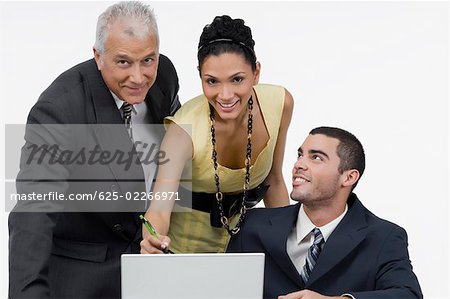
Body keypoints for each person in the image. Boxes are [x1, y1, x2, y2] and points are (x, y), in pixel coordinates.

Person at [8, 2, 180, 298]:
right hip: (84, 276)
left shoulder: (163, 77)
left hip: (151, 270)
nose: (139, 78)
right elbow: (34, 212)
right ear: (98, 56)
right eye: (124, 62)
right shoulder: (59, 110)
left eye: (148, 60)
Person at [140, 15, 294, 254]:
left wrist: (286, 246)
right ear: (200, 76)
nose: (225, 95)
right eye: (212, 81)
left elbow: (273, 180)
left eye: (237, 79)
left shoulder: (279, 104)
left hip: (245, 249)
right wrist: (153, 240)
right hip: (183, 252)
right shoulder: (182, 131)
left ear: (256, 73)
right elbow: (159, 209)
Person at [227, 126, 423, 299]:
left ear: (348, 177)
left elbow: (408, 295)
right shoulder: (252, 226)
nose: (299, 165)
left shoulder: (383, 237)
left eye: (316, 157)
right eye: (300, 155)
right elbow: (225, 291)